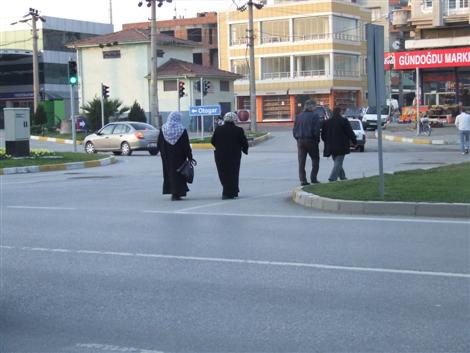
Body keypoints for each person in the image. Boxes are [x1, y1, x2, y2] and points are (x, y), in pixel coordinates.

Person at [156, 111, 193, 200]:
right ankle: (178, 193)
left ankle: (172, 192)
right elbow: (186, 145)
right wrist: (190, 156)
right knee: (179, 174)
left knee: (169, 173)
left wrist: (163, 153)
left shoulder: (163, 129)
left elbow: (159, 144)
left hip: (166, 157)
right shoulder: (182, 129)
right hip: (179, 157)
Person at [211, 112, 249, 199]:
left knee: (223, 173)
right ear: (234, 119)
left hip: (220, 156)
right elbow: (244, 142)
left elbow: (213, 141)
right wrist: (244, 150)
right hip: (234, 156)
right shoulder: (238, 130)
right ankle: (231, 192)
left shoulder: (218, 129)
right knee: (233, 173)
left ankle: (229, 191)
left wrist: (220, 148)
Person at [321, 107, 357, 182]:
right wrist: (354, 142)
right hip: (341, 145)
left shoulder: (327, 122)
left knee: (337, 161)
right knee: (338, 162)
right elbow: (349, 132)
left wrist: (327, 142)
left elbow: (323, 135)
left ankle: (342, 177)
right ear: (340, 112)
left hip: (330, 146)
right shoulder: (343, 121)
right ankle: (332, 178)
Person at [293, 99, 322, 185]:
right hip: (311, 140)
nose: (315, 108)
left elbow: (294, 130)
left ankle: (303, 180)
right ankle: (313, 178)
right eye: (315, 106)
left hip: (300, 140)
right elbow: (316, 130)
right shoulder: (315, 116)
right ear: (312, 106)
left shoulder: (298, 116)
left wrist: (297, 138)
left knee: (301, 161)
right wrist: (317, 140)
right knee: (315, 159)